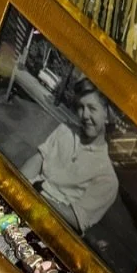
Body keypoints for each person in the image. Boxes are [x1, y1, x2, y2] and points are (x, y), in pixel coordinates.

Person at [21, 81, 121, 235]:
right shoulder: (65, 131)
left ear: (108, 116)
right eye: (81, 107)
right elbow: (39, 159)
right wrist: (16, 185)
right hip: (25, 196)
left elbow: (77, 219)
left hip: (50, 228)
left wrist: (38, 196)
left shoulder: (107, 178)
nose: (84, 115)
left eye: (92, 109)